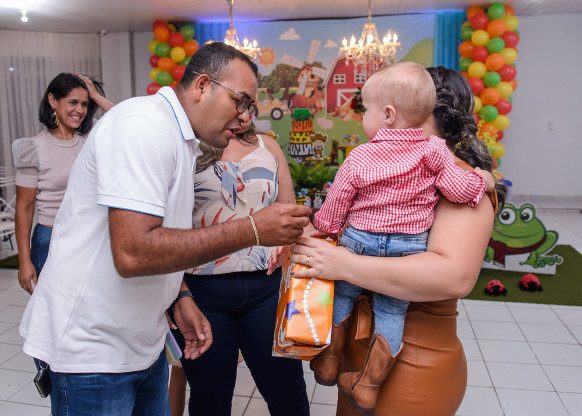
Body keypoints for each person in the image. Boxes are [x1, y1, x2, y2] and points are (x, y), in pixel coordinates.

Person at [19, 42, 311, 416]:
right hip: (94, 351)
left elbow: (166, 234)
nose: (243, 115)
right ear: (202, 85)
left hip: (142, 342)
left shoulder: (181, 138)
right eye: (239, 100)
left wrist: (180, 296)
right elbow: (133, 252)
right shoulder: (146, 127)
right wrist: (253, 229)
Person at [289, 66, 506, 416]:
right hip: (359, 355)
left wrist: (344, 263)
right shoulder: (385, 164)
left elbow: (453, 276)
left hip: (412, 364)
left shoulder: (459, 179)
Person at [169, 119, 310, 416]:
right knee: (210, 398)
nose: (243, 113)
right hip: (201, 294)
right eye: (237, 100)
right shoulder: (185, 147)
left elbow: (290, 213)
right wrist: (178, 294)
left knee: (287, 392)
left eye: (249, 103)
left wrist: (291, 242)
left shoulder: (268, 146)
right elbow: (166, 229)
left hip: (267, 290)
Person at [12, 72, 113, 295]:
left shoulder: (90, 138)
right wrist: (24, 262)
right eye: (73, 102)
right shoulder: (32, 148)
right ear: (53, 101)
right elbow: (24, 209)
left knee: (87, 307)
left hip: (88, 237)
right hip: (50, 239)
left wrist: (95, 96)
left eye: (85, 104)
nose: (80, 110)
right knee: (53, 308)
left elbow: (124, 122)